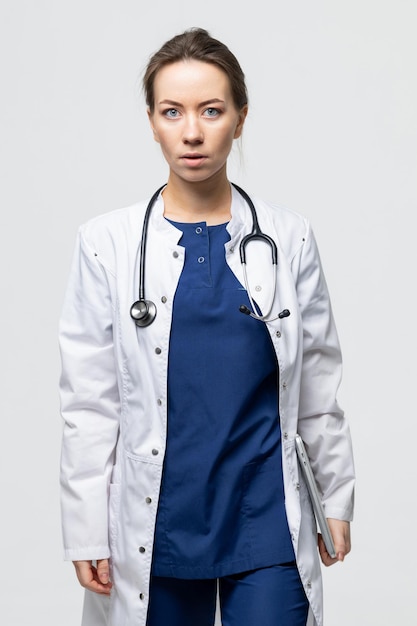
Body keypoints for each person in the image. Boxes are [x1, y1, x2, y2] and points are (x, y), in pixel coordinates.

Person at [59, 27, 355, 626]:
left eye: (211, 111)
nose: (191, 131)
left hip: (265, 519)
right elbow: (89, 404)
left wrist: (336, 498)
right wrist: (85, 528)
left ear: (240, 118)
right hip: (159, 523)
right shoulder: (105, 246)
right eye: (172, 112)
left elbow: (319, 386)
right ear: (151, 121)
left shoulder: (288, 239)